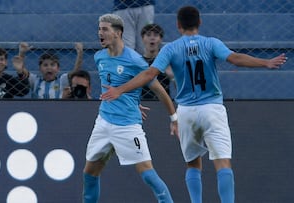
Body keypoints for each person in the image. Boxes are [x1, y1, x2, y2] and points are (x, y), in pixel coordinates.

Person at [100, 6, 288, 203]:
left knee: (193, 164)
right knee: (222, 162)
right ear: (199, 23)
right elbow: (236, 59)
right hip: (212, 109)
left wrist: (120, 89)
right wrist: (265, 63)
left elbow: (149, 74)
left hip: (187, 112)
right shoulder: (211, 43)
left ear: (178, 25)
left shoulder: (171, 48)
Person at [82, 13, 177, 203]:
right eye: (99, 29)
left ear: (117, 33)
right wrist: (131, 101)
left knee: (148, 173)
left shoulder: (135, 61)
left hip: (127, 127)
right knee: (89, 174)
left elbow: (159, 90)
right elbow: (114, 86)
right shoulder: (99, 57)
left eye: (105, 29)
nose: (100, 33)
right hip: (103, 122)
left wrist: (174, 118)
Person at [13, 42, 83, 99]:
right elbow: (21, 69)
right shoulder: (35, 81)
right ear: (40, 69)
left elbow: (76, 72)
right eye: (45, 65)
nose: (49, 68)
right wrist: (22, 53)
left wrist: (80, 54)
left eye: (52, 65)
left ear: (58, 68)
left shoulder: (62, 80)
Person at [140, 23, 174, 100]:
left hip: (164, 102)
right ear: (143, 39)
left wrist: (172, 76)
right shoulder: (137, 62)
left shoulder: (166, 62)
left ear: (160, 39)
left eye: (155, 35)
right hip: (142, 102)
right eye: (148, 35)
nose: (152, 38)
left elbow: (180, 87)